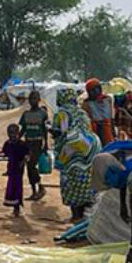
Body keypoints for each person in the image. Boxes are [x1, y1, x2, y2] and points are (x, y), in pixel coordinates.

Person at [53, 88, 101, 222]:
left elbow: (62, 131)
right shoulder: (82, 112)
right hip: (91, 147)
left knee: (71, 181)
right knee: (86, 180)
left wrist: (53, 132)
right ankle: (86, 215)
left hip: (73, 150)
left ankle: (75, 215)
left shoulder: (62, 113)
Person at [18, 90, 49, 199]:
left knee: (32, 165)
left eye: (35, 98)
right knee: (29, 167)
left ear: (39, 100)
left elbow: (45, 130)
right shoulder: (26, 114)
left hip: (37, 143)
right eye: (31, 99)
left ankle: (40, 187)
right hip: (28, 143)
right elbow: (23, 129)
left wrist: (46, 145)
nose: (32, 101)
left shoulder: (43, 114)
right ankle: (34, 191)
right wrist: (17, 139)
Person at [2, 124, 29, 217]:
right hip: (11, 168)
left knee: (17, 186)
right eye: (10, 133)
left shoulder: (22, 144)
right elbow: (5, 153)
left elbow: (27, 155)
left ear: (18, 133)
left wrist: (23, 162)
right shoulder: (7, 144)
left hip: (18, 169)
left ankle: (17, 207)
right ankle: (14, 205)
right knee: (11, 186)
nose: (12, 135)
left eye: (14, 133)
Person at [82, 79, 115, 146]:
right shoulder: (86, 103)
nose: (95, 91)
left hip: (106, 128)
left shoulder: (108, 99)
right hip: (95, 129)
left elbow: (111, 115)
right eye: (92, 90)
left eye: (97, 89)